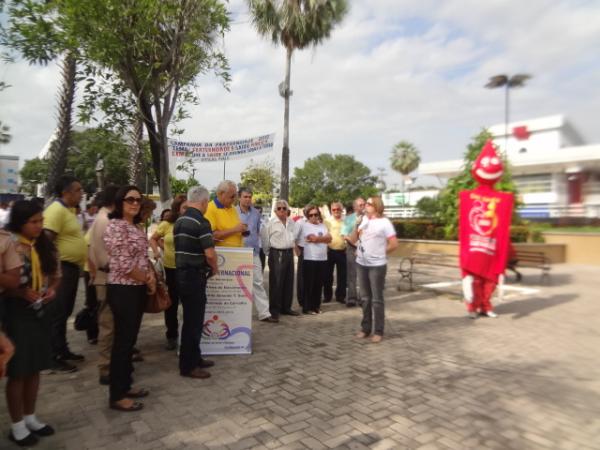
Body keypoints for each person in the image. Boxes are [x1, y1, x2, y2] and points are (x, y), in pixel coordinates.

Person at [4, 200, 60, 446]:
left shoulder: (44, 244)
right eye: (33, 222)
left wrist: (52, 291)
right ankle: (16, 424)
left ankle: (30, 416)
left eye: (41, 221)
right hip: (15, 312)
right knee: (18, 370)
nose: (39, 226)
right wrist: (20, 293)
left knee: (35, 366)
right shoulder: (10, 244)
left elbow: (56, 275)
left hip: (40, 310)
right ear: (20, 222)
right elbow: (7, 282)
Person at [103, 186, 155, 412]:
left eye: (138, 199)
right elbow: (123, 265)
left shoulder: (134, 226)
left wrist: (150, 276)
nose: (135, 203)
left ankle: (126, 385)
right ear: (120, 202)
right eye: (130, 199)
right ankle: (117, 395)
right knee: (122, 343)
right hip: (123, 289)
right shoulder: (116, 226)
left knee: (129, 341)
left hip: (136, 289)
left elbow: (142, 258)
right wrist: (147, 279)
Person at [43, 175, 86, 373]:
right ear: (66, 192)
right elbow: (47, 241)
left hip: (70, 269)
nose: (81, 193)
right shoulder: (56, 210)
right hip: (61, 268)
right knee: (57, 313)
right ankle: (52, 356)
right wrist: (54, 271)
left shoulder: (69, 210)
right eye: (78, 190)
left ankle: (62, 349)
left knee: (65, 311)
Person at [174, 186, 218, 379]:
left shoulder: (180, 221)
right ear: (203, 202)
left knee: (190, 320)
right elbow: (209, 253)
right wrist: (214, 267)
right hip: (194, 276)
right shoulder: (201, 222)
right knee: (194, 322)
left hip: (181, 275)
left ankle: (195, 357)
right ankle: (188, 366)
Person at [349, 196, 398, 343]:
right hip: (361, 263)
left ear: (376, 206)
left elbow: (394, 244)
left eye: (368, 204)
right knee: (365, 298)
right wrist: (356, 227)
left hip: (377, 265)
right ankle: (365, 328)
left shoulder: (385, 223)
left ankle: (378, 330)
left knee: (377, 299)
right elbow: (353, 240)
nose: (365, 206)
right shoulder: (363, 220)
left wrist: (379, 253)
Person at [87, 185, 119, 385]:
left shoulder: (102, 218)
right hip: (107, 278)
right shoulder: (105, 220)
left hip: (105, 277)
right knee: (108, 325)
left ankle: (109, 365)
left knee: (111, 324)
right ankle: (106, 368)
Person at [149, 195, 187, 350]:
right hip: (170, 269)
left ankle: (187, 334)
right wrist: (157, 252)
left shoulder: (193, 223)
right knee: (171, 304)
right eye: (184, 207)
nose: (187, 210)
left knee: (188, 303)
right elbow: (153, 239)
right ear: (177, 208)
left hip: (187, 269)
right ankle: (171, 335)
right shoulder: (166, 224)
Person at [236, 188, 277, 323]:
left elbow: (260, 232)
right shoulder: (232, 212)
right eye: (245, 196)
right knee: (237, 284)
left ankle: (264, 313)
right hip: (236, 252)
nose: (248, 199)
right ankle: (236, 313)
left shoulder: (256, 213)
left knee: (258, 282)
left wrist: (265, 249)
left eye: (249, 197)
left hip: (253, 252)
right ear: (239, 197)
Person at [261, 200, 300, 319]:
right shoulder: (270, 224)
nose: (282, 210)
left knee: (289, 281)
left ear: (287, 210)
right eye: (279, 208)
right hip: (276, 253)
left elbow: (294, 237)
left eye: (284, 208)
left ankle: (286, 307)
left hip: (289, 253)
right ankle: (274, 309)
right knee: (276, 283)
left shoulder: (292, 223)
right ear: (275, 210)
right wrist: (270, 253)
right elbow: (265, 241)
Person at [296, 205, 331, 314]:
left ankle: (316, 306)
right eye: (311, 215)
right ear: (307, 216)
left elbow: (329, 238)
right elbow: (294, 237)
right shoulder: (303, 225)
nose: (313, 217)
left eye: (316, 214)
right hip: (309, 258)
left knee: (318, 284)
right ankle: (307, 308)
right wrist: (296, 250)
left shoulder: (323, 226)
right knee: (308, 284)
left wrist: (317, 239)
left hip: (322, 258)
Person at [341, 197, 365, 307]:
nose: (363, 207)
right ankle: (351, 298)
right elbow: (344, 235)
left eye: (364, 204)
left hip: (365, 249)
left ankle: (362, 298)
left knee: (363, 275)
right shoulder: (349, 219)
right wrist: (354, 244)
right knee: (351, 275)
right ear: (355, 206)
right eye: (360, 205)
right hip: (351, 248)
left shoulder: (368, 218)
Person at [324, 202, 347, 304]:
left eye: (338, 209)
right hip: (330, 251)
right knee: (328, 275)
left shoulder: (346, 221)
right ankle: (327, 296)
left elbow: (349, 234)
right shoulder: (327, 221)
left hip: (343, 251)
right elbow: (324, 234)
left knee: (342, 276)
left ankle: (340, 296)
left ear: (341, 210)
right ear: (331, 210)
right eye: (334, 209)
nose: (336, 211)